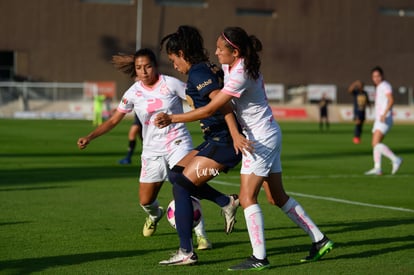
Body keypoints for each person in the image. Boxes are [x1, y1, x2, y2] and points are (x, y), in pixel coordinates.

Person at [156, 26, 334, 271]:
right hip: (267, 134)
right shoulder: (234, 66)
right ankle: (320, 240)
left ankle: (259, 257)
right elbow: (219, 88)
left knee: (248, 197)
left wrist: (172, 118)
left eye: (220, 49)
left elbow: (212, 108)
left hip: (258, 140)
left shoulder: (240, 73)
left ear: (235, 51)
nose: (216, 53)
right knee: (276, 197)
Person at [77, 48, 236, 252]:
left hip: (178, 143)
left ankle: (201, 236)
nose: (144, 72)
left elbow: (197, 100)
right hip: (151, 151)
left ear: (155, 66)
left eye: (148, 66)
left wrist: (211, 118)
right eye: (139, 68)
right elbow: (115, 120)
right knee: (145, 200)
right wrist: (90, 137)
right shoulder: (133, 92)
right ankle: (154, 215)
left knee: (184, 182)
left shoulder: (171, 84)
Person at [157, 25, 247, 266]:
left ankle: (186, 251)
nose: (174, 65)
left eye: (173, 59)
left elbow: (222, 104)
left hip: (225, 143)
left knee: (182, 187)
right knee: (177, 175)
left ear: (183, 53)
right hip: (215, 140)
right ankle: (225, 202)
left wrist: (236, 134)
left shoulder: (198, 74)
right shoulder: (203, 68)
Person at [365, 66, 402, 175]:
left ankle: (395, 159)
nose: (376, 78)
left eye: (378, 76)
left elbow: (391, 99)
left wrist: (385, 113)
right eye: (374, 76)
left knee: (375, 143)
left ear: (382, 76)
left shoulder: (385, 85)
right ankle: (377, 168)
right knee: (376, 144)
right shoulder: (379, 87)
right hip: (379, 119)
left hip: (384, 119)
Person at [348, 80, 371, 144]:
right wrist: (354, 83)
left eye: (361, 85)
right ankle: (356, 137)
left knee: (361, 124)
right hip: (357, 111)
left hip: (363, 111)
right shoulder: (356, 92)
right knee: (358, 123)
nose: (360, 86)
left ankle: (358, 137)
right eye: (359, 85)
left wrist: (370, 107)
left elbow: (367, 101)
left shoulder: (365, 93)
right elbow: (349, 90)